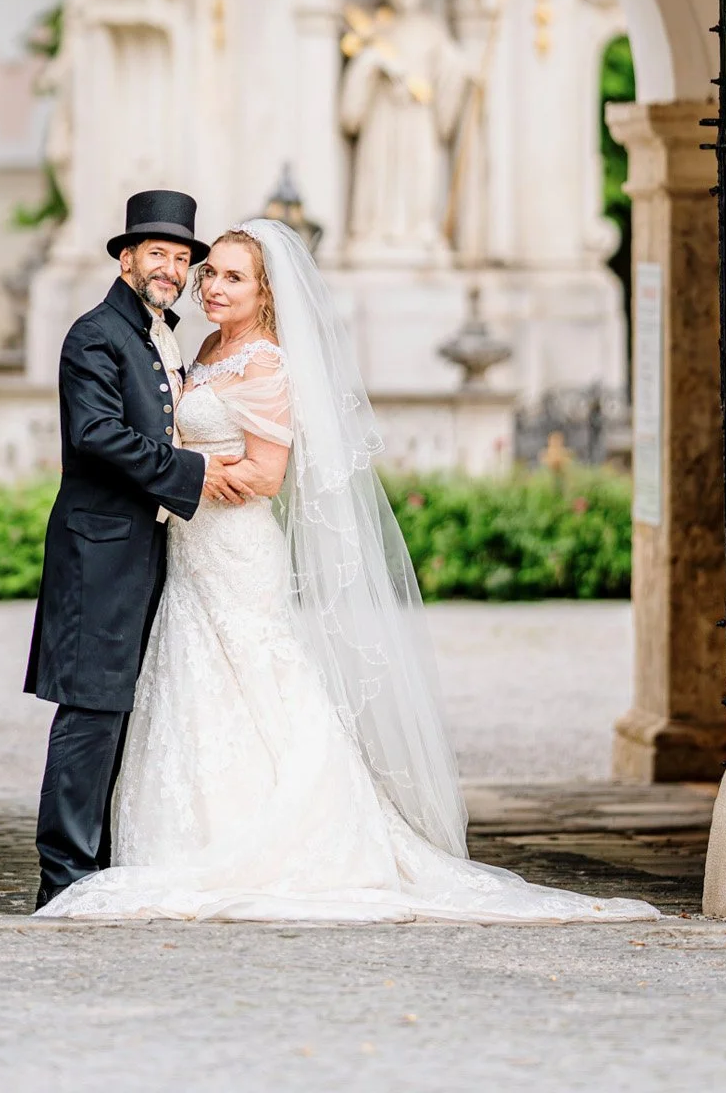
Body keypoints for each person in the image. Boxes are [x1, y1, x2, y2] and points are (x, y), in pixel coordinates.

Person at [37, 219, 659, 924]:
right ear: (129, 259)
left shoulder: (267, 361)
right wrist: (192, 472)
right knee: (186, 688)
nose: (207, 282)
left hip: (235, 549)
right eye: (206, 271)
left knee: (258, 684)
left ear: (267, 292)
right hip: (185, 551)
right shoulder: (197, 345)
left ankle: (285, 838)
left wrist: (194, 473)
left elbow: (267, 476)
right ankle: (168, 841)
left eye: (224, 273)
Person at [25, 189, 245, 909]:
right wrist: (195, 472)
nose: (173, 269)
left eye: (183, 258)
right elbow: (97, 435)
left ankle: (102, 864)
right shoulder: (95, 334)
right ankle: (64, 878)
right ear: (126, 259)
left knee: (125, 709)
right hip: (100, 550)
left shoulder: (157, 332)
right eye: (159, 254)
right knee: (90, 709)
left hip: (148, 548)